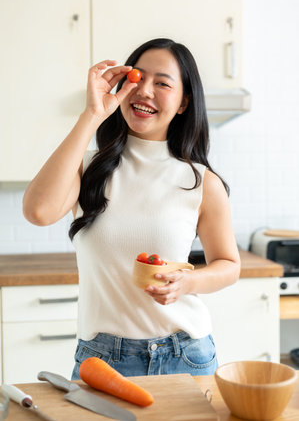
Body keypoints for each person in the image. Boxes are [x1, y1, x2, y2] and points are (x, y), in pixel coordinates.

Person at [23, 38, 240, 378]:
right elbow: (38, 211)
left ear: (184, 102)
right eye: (137, 78)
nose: (145, 91)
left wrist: (187, 282)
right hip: (103, 360)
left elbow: (229, 265)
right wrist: (92, 115)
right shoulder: (87, 169)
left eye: (163, 83)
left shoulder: (201, 182)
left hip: (185, 354)